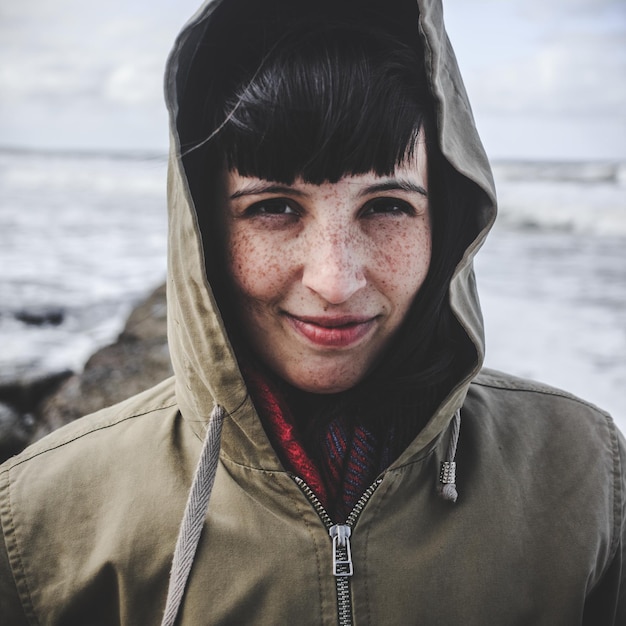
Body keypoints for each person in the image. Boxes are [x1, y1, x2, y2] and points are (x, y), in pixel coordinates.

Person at [1, 0, 624, 623]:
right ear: (205, 232)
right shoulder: (40, 522)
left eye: (387, 206)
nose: (335, 280)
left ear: (447, 222)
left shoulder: (583, 475)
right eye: (274, 207)